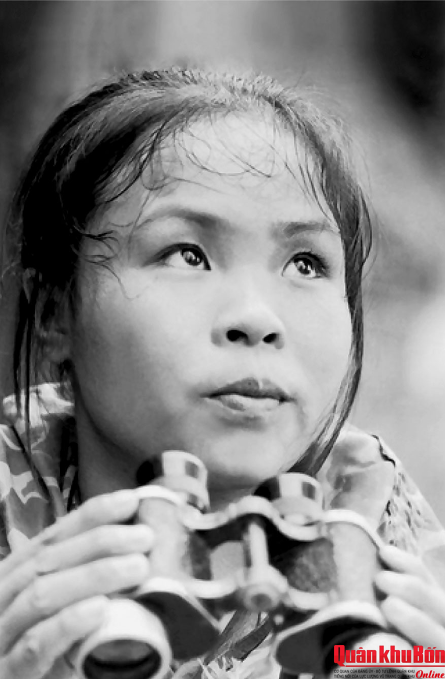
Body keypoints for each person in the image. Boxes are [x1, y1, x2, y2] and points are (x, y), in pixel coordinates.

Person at [0, 67, 444, 679]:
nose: (256, 318)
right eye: (187, 255)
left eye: (306, 264)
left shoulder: (369, 513)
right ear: (56, 314)